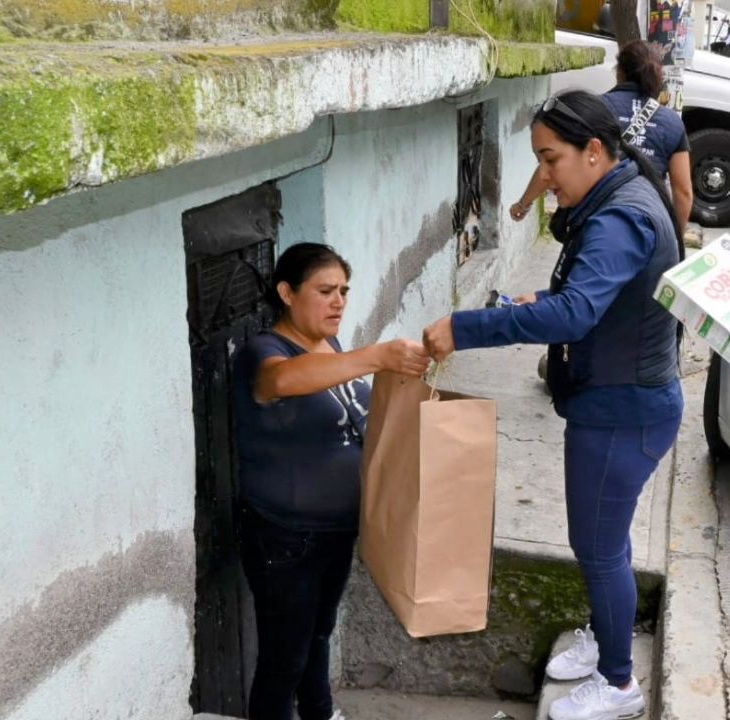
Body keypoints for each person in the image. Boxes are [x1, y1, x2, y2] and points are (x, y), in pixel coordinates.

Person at [424, 91, 684, 720]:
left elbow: (575, 313)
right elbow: (591, 297)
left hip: (623, 410)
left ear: (594, 152)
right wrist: (525, 303)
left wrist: (467, 327)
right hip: (616, 398)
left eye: (550, 160)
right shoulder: (618, 196)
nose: (543, 177)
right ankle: (605, 640)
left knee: (598, 547)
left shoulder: (620, 218)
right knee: (602, 543)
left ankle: (620, 684)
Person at [232, 243, 431, 720]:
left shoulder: (330, 345)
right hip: (286, 535)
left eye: (343, 290)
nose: (339, 301)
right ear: (286, 292)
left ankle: (320, 712)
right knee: (285, 657)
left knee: (319, 634)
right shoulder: (266, 352)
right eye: (325, 291)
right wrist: (377, 355)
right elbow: (281, 382)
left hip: (336, 529)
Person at [510, 40, 693, 235]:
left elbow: (554, 163)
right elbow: (683, 191)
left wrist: (523, 204)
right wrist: (676, 240)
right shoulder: (672, 122)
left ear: (619, 72)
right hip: (648, 224)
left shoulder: (593, 111)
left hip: (597, 219)